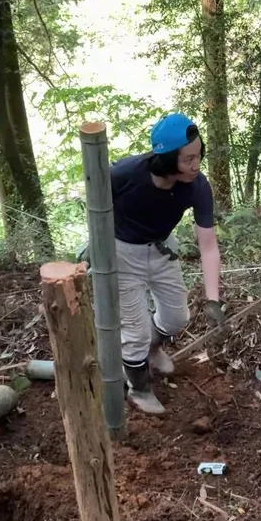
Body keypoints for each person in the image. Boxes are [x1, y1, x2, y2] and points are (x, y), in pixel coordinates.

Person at [110, 113, 224, 414]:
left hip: (162, 249)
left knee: (177, 316)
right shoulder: (124, 173)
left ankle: (152, 349)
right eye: (188, 159)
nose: (196, 165)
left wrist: (213, 300)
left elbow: (208, 245)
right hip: (122, 253)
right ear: (167, 158)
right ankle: (139, 388)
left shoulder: (197, 186)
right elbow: (94, 203)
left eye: (198, 156)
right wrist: (97, 247)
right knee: (135, 331)